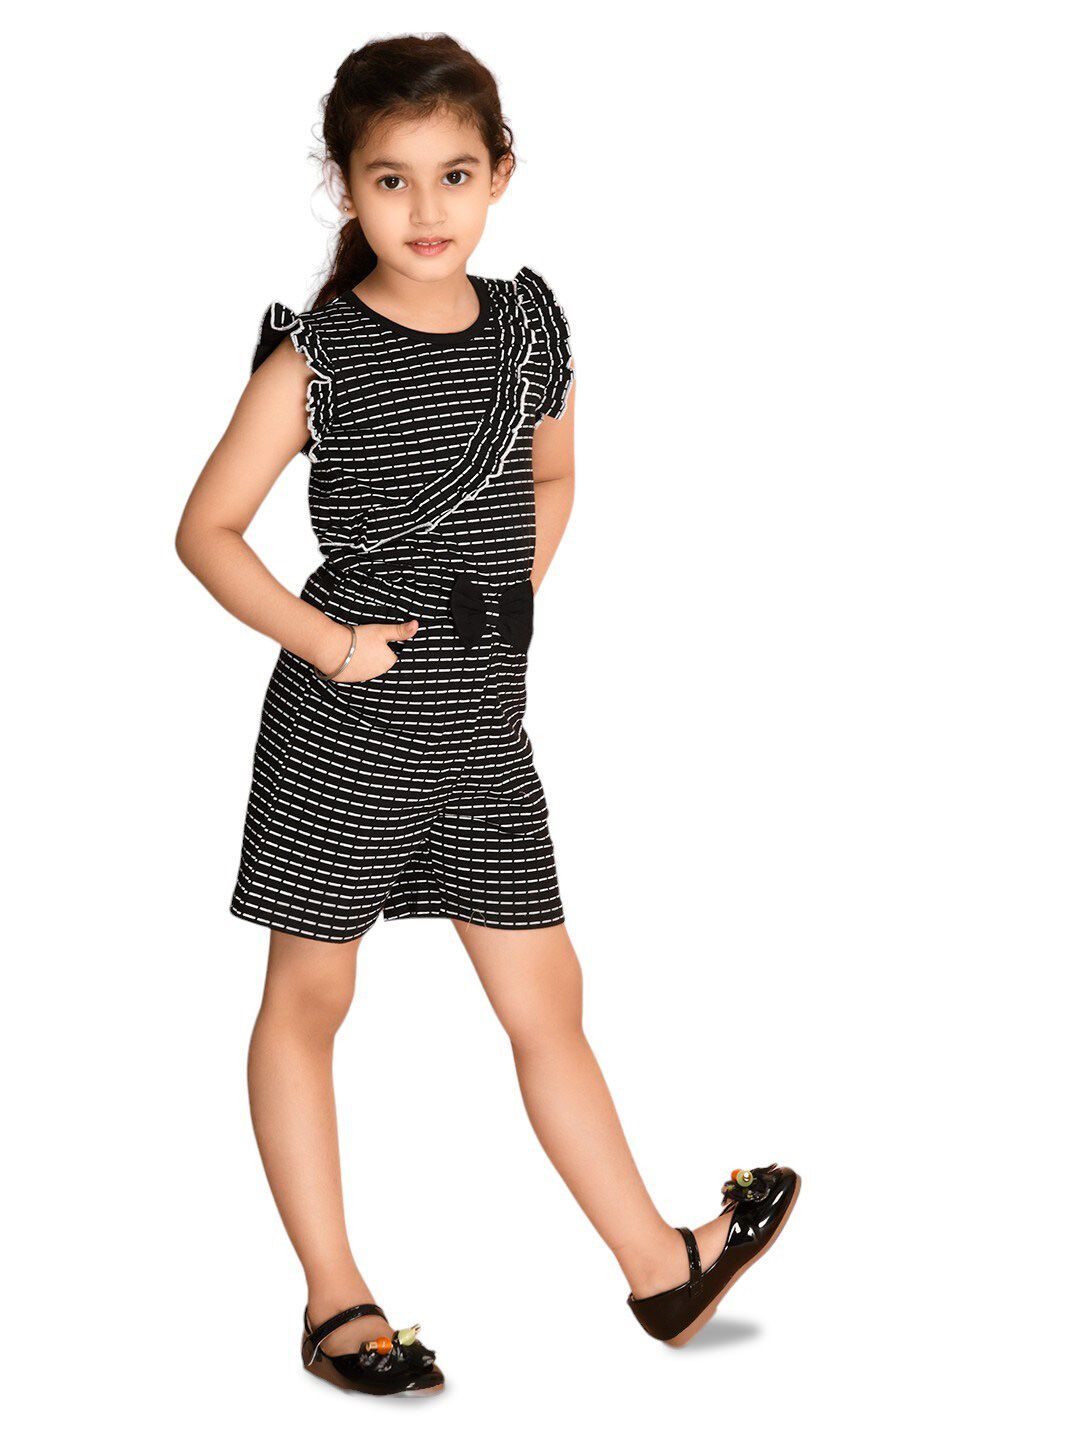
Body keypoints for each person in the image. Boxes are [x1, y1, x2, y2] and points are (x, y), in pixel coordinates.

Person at [175, 32, 799, 1399]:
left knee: (546, 998)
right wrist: (332, 643)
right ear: (346, 186)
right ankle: (336, 1302)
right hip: (344, 727)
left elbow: (554, 477)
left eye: (454, 174)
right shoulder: (316, 358)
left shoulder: (528, 329)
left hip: (480, 724)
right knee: (311, 995)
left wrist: (502, 602)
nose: (426, 209)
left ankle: (662, 1268)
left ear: (502, 172)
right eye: (390, 179)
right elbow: (206, 531)